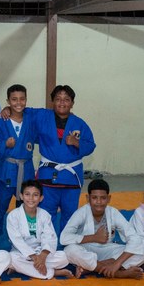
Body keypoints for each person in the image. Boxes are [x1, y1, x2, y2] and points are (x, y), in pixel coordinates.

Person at [33, 85, 95, 233]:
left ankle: (67, 241)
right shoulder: (42, 116)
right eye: (58, 99)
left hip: (71, 176)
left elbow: (91, 145)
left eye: (66, 99)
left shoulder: (80, 123)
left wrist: (76, 142)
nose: (62, 103)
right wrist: (7, 110)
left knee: (70, 214)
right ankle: (47, 241)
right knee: (46, 212)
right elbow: (22, 111)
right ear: (52, 102)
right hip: (48, 175)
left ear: (72, 103)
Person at [60, 179, 144, 279]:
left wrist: (117, 263)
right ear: (88, 198)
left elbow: (134, 238)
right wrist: (94, 237)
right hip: (85, 249)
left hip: (107, 250)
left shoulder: (113, 213)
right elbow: (64, 238)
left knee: (142, 251)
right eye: (94, 198)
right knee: (70, 250)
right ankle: (119, 274)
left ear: (109, 198)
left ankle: (90, 268)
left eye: (103, 198)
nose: (99, 202)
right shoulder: (81, 213)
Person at [0, 84, 36, 236]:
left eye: (22, 99)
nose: (18, 103)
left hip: (26, 170)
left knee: (27, 206)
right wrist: (5, 144)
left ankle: (26, 236)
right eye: (14, 99)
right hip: (6, 171)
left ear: (26, 100)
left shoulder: (31, 119)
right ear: (8, 101)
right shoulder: (1, 120)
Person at [6, 180, 73, 280]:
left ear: (41, 198)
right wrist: (34, 257)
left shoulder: (44, 215)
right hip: (21, 253)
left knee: (64, 257)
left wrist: (43, 256)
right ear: (21, 196)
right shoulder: (13, 216)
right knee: (10, 258)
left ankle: (22, 268)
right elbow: (17, 240)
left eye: (35, 195)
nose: (31, 198)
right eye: (27, 194)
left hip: (40, 251)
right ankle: (53, 272)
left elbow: (49, 236)